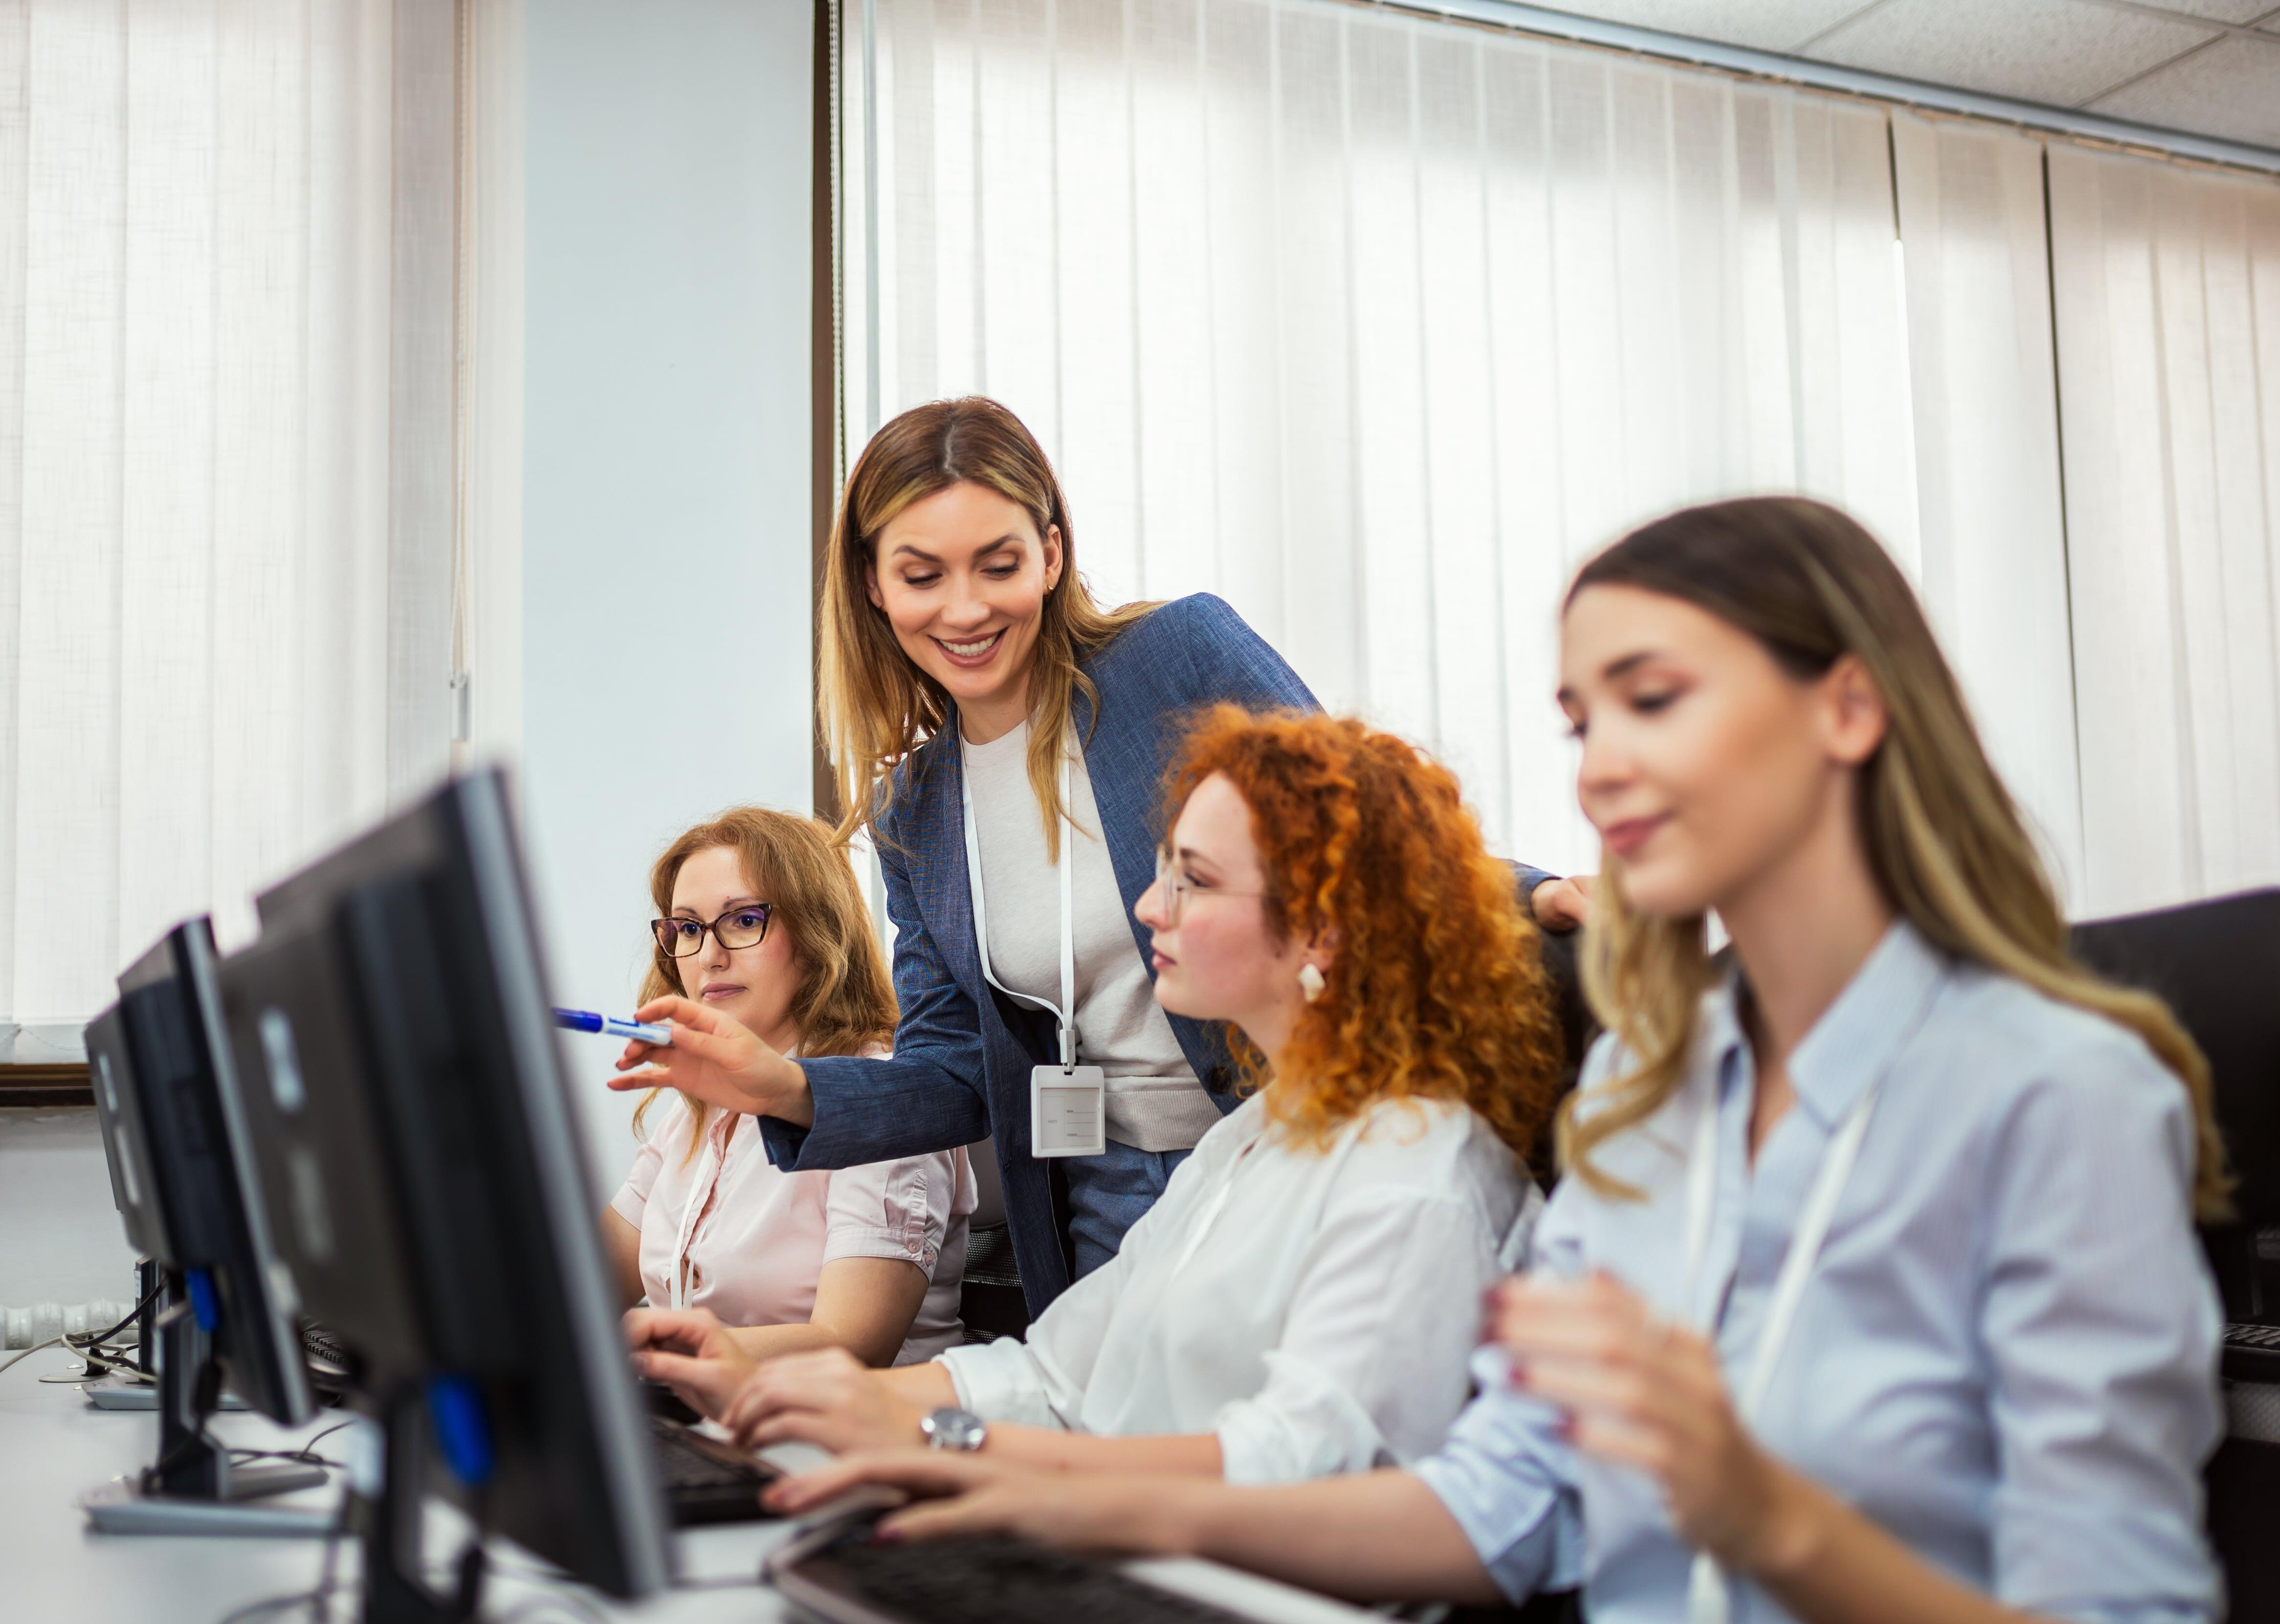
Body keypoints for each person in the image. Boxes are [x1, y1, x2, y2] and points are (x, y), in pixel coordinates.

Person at [770, 497, 2229, 1624]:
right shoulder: (1645, 1114)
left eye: (1651, 699)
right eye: (1582, 723)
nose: (1597, 771)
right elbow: (1495, 1510)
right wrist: (1039, 1493)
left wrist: (1769, 1517)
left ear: (1847, 709)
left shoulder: (2058, 1097)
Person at [608, 396, 1578, 1315]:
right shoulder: (917, 811)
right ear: (872, 583)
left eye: (998, 564)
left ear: (1051, 554)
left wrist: (1534, 896)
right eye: (922, 574)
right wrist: (780, 1086)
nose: (964, 609)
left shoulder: (1173, 660)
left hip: (1285, 1140)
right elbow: (955, 1069)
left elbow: (1360, 824)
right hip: (1100, 1191)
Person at [630, 708, 1560, 1484]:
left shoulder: (1416, 1175)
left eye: (1191, 879)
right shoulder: (1243, 1147)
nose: (1147, 907)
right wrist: (797, 1391)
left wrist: (961, 1454)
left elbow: (1301, 1461)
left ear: (1321, 929)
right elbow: (1052, 1372)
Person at [604, 807, 972, 1369]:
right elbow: (589, 1278)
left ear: (818, 933)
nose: (708, 956)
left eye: (745, 920)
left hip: (848, 1440)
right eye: (687, 928)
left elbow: (850, 1343)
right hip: (711, 1428)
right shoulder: (697, 1111)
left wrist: (640, 1343)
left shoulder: (886, 1101)